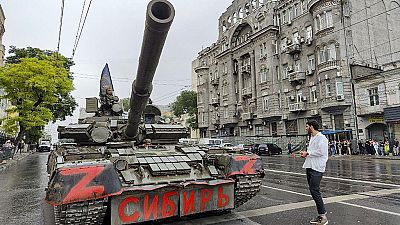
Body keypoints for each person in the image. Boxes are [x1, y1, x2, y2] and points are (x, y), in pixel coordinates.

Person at [300, 120, 329, 225]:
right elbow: (312, 152)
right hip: (310, 166)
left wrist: (307, 153)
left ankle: (323, 216)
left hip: (317, 168)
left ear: (311, 127)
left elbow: (321, 152)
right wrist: (306, 154)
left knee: (315, 191)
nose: (306, 128)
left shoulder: (322, 138)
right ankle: (320, 215)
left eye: (307, 126)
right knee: (313, 191)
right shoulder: (311, 137)